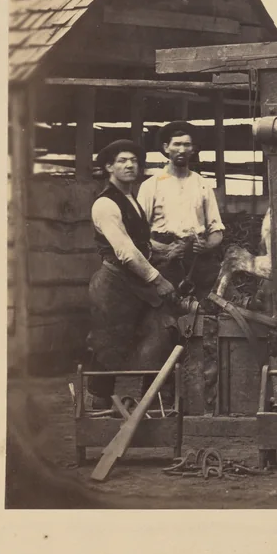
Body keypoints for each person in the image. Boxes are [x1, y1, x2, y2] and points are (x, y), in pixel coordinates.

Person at [85, 139, 177, 414]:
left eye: (134, 161)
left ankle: (152, 400)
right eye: (122, 161)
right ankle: (99, 406)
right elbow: (125, 251)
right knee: (108, 343)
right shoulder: (105, 204)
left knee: (159, 333)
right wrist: (158, 279)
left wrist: (167, 249)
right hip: (114, 283)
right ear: (109, 167)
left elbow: (139, 242)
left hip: (136, 282)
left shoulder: (131, 199)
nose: (129, 165)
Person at [136, 121, 226, 298]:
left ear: (193, 149)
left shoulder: (202, 184)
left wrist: (207, 245)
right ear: (166, 148)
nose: (182, 150)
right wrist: (164, 250)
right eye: (177, 144)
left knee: (212, 303)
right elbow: (138, 235)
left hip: (198, 259)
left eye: (187, 144)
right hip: (164, 259)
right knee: (164, 305)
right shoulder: (151, 186)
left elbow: (217, 231)